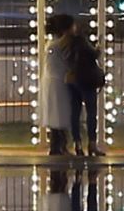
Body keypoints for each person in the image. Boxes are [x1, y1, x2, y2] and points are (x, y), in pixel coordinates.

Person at [41, 12, 78, 155]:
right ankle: (59, 147)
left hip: (53, 82)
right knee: (61, 115)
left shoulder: (52, 44)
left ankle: (58, 146)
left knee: (56, 116)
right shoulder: (60, 45)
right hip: (59, 83)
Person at [68, 23, 105, 158]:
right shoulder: (83, 42)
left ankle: (77, 143)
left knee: (75, 114)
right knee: (91, 113)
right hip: (87, 81)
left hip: (72, 81)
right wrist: (99, 48)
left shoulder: (68, 44)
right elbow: (94, 54)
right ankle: (92, 144)